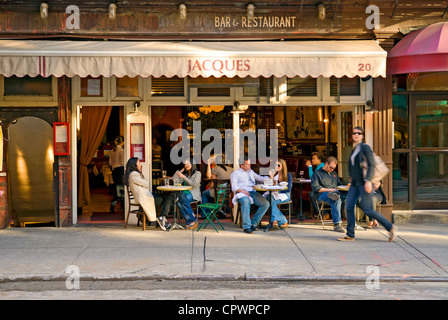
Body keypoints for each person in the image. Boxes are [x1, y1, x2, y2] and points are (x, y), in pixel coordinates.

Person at [338, 126, 397, 242]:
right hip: (355, 183)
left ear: (362, 135)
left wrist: (369, 181)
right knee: (349, 207)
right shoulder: (354, 149)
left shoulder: (365, 148)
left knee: (367, 209)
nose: (356, 135)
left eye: (359, 133)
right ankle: (350, 234)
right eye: (354, 133)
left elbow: (371, 165)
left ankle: (390, 227)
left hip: (363, 183)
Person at [123, 157, 165, 230]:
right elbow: (146, 184)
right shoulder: (134, 175)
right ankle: (161, 218)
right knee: (167, 198)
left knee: (166, 196)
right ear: (134, 165)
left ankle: (161, 218)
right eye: (139, 163)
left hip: (144, 196)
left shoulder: (133, 174)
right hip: (144, 198)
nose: (140, 165)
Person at [230, 156, 270, 233]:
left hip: (252, 192)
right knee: (245, 201)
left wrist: (270, 177)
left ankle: (254, 224)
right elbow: (234, 187)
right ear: (241, 165)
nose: (250, 165)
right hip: (241, 193)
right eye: (247, 164)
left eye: (249, 164)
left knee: (265, 203)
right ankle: (246, 226)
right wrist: (243, 191)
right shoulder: (235, 174)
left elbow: (259, 178)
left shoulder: (251, 172)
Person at [311, 156, 346, 233]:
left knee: (348, 196)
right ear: (326, 164)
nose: (332, 169)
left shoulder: (333, 173)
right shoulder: (317, 174)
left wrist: (346, 187)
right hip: (321, 194)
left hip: (335, 193)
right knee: (335, 198)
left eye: (334, 168)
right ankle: (337, 225)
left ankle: (352, 222)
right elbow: (317, 189)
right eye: (331, 167)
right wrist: (330, 190)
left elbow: (339, 184)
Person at [201, 154, 233, 218]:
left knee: (204, 193)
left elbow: (213, 185)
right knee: (209, 193)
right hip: (227, 193)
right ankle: (219, 210)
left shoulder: (215, 169)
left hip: (218, 193)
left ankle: (204, 214)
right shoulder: (231, 169)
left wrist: (209, 187)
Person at [174, 159, 201, 229]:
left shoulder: (197, 173)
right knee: (178, 202)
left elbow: (193, 184)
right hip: (184, 195)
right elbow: (173, 179)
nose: (187, 165)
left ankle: (191, 219)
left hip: (193, 194)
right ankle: (191, 220)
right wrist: (180, 172)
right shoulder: (186, 174)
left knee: (181, 198)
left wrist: (183, 177)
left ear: (192, 164)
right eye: (185, 164)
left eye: (188, 163)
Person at [268, 159, 292, 229]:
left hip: (285, 195)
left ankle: (276, 221)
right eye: (275, 165)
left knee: (270, 201)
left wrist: (279, 191)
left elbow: (289, 189)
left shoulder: (288, 175)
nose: (277, 166)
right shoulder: (275, 174)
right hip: (275, 195)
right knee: (268, 200)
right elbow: (270, 186)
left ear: (283, 166)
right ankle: (281, 221)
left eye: (278, 165)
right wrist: (271, 177)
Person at [109, 136, 124, 212]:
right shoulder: (121, 150)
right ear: (122, 142)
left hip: (114, 170)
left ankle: (113, 207)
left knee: (116, 189)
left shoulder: (112, 150)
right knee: (121, 189)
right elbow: (122, 162)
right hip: (120, 170)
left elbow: (110, 163)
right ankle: (123, 207)